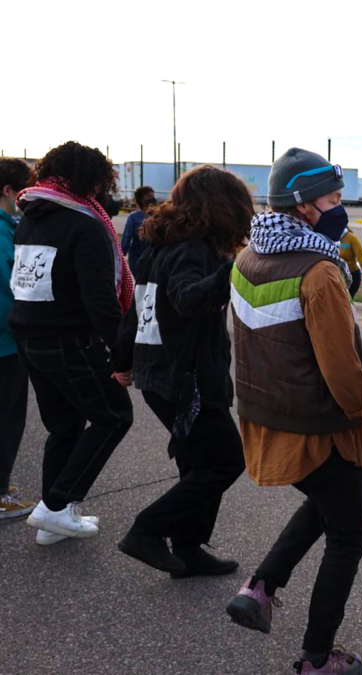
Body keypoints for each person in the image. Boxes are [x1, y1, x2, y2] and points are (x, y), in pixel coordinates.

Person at [223, 148, 362, 675]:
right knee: (348, 533)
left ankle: (259, 588)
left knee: (326, 502)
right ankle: (315, 657)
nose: (340, 209)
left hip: (264, 420)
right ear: (303, 204)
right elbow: (345, 377)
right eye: (332, 199)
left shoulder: (246, 258)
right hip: (318, 429)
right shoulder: (319, 272)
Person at [110, 166, 250, 577]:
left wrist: (122, 360)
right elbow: (188, 300)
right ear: (222, 207)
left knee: (195, 464)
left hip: (161, 374)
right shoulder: (192, 249)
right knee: (224, 462)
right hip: (185, 378)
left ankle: (188, 550)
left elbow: (137, 308)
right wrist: (233, 269)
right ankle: (146, 530)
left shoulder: (160, 245)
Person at [9, 141, 134, 542]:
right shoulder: (85, 225)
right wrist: (123, 354)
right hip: (70, 339)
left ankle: (55, 518)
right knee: (114, 416)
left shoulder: (30, 218)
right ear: (93, 181)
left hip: (29, 336)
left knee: (65, 425)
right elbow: (99, 299)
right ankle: (55, 505)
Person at [0, 158, 35, 520]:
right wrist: (23, 326)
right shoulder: (1, 232)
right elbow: (7, 292)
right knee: (7, 420)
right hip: (6, 344)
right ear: (8, 190)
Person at [121, 185, 156, 281]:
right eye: (149, 196)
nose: (152, 198)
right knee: (140, 282)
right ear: (141, 199)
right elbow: (127, 237)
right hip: (137, 258)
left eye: (153, 196)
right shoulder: (133, 217)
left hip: (154, 258)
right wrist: (121, 254)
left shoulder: (158, 215)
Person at [338, 226, 362, 299]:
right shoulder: (329, 237)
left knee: (345, 300)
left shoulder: (351, 238)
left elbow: (361, 255)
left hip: (352, 275)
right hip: (335, 275)